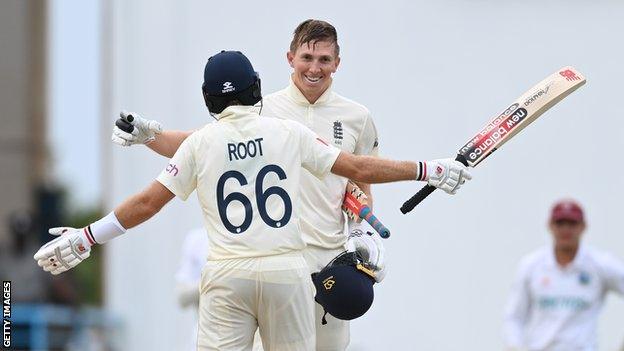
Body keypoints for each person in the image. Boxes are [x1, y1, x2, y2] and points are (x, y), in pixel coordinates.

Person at [35, 50, 471, 351]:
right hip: (287, 273)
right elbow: (358, 169)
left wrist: (87, 237)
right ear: (258, 89)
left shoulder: (200, 143)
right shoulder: (288, 132)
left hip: (227, 276)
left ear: (208, 100)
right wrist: (428, 169)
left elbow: (148, 203)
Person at [110, 20, 390, 349]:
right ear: (290, 58)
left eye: (324, 60)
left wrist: (362, 231)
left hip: (330, 263)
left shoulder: (358, 116)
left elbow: (361, 181)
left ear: (337, 64)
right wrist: (150, 136)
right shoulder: (262, 109)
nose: (315, 68)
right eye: (307, 58)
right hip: (277, 267)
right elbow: (198, 144)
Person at [503, 199, 624, 351]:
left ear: (583, 226)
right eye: (560, 223)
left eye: (572, 224)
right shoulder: (531, 266)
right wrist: (515, 346)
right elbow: (514, 316)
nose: (566, 230)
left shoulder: (600, 264)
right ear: (550, 226)